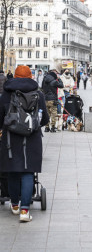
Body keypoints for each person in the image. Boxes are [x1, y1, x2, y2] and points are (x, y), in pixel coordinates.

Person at [0, 65, 49, 222]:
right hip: (32, 138)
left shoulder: (6, 94)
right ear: (30, 76)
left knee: (13, 171)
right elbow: (45, 119)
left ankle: (15, 205)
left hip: (10, 139)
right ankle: (25, 211)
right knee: (28, 172)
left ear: (14, 76)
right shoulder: (38, 94)